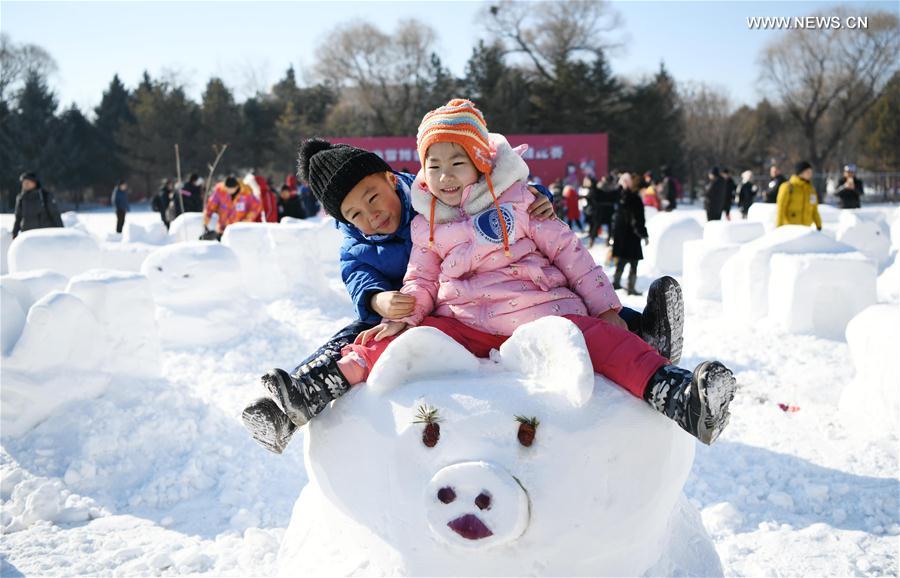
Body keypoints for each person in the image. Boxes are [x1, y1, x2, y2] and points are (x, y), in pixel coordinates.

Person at [258, 99, 732, 454]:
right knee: (376, 338)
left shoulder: (511, 200)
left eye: (456, 164)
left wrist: (606, 307)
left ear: (389, 178)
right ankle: (312, 388)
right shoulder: (423, 222)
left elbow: (570, 253)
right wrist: (395, 309)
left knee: (603, 336)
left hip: (535, 309)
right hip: (458, 315)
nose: (370, 215)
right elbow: (417, 276)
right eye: (435, 167)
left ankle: (676, 392)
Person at [611, 172, 649, 296]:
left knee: (622, 260)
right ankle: (631, 287)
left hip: (622, 235)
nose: (646, 192)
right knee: (634, 262)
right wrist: (643, 234)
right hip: (632, 236)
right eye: (644, 189)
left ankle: (616, 283)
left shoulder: (623, 197)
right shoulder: (635, 199)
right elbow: (637, 220)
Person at [12, 172, 63, 239]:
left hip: (44, 235)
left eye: (28, 182)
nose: (25, 184)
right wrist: (14, 233)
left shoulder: (45, 195)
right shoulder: (21, 198)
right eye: (23, 182)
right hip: (27, 236)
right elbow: (18, 218)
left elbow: (55, 215)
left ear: (35, 182)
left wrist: (62, 232)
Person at [776, 161, 822, 230]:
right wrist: (779, 227)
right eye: (808, 172)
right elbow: (781, 208)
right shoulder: (787, 187)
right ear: (800, 172)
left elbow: (814, 209)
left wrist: (819, 225)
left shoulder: (811, 190)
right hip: (790, 228)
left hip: (806, 229)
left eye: (811, 172)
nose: (810, 174)